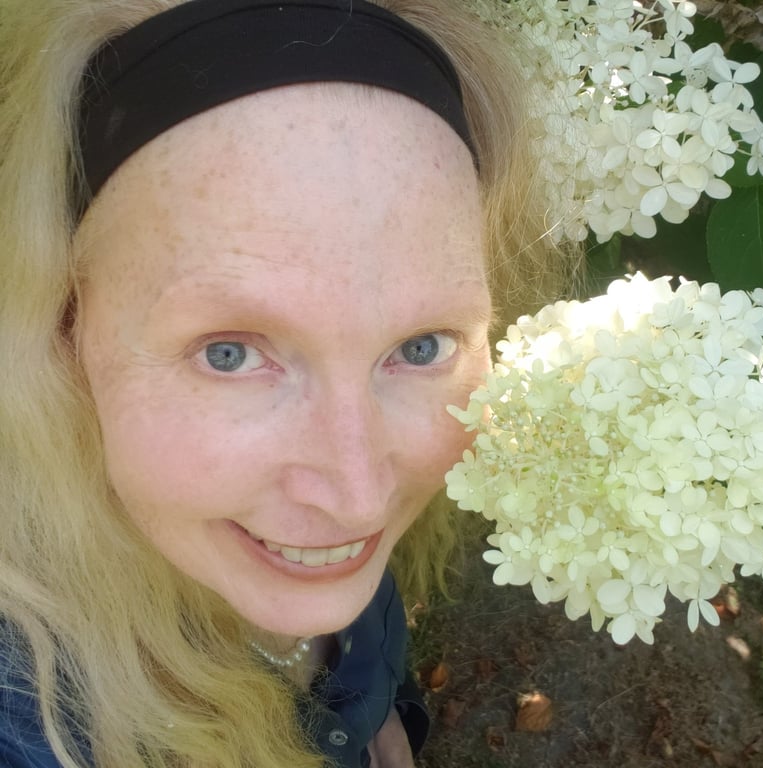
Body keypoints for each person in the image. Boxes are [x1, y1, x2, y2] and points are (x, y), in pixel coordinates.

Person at [0, 1, 569, 766]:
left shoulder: (267, 526)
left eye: (420, 345)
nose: (358, 497)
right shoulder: (34, 730)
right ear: (58, 331)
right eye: (228, 353)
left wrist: (372, 717)